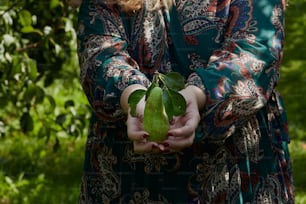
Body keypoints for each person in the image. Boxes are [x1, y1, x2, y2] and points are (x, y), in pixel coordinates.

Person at [75, 0, 294, 203]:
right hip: (129, 169)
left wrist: (200, 93)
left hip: (233, 166)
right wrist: (134, 97)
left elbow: (256, 50)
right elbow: (99, 52)